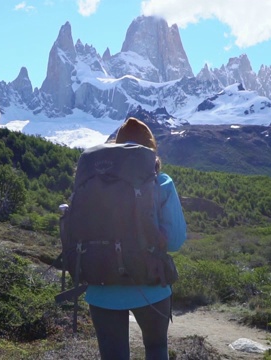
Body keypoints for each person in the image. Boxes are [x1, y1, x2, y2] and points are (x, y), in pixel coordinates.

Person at [84, 117, 187, 360]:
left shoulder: (93, 182)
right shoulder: (161, 183)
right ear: (150, 151)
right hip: (151, 282)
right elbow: (175, 241)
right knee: (156, 349)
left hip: (101, 284)